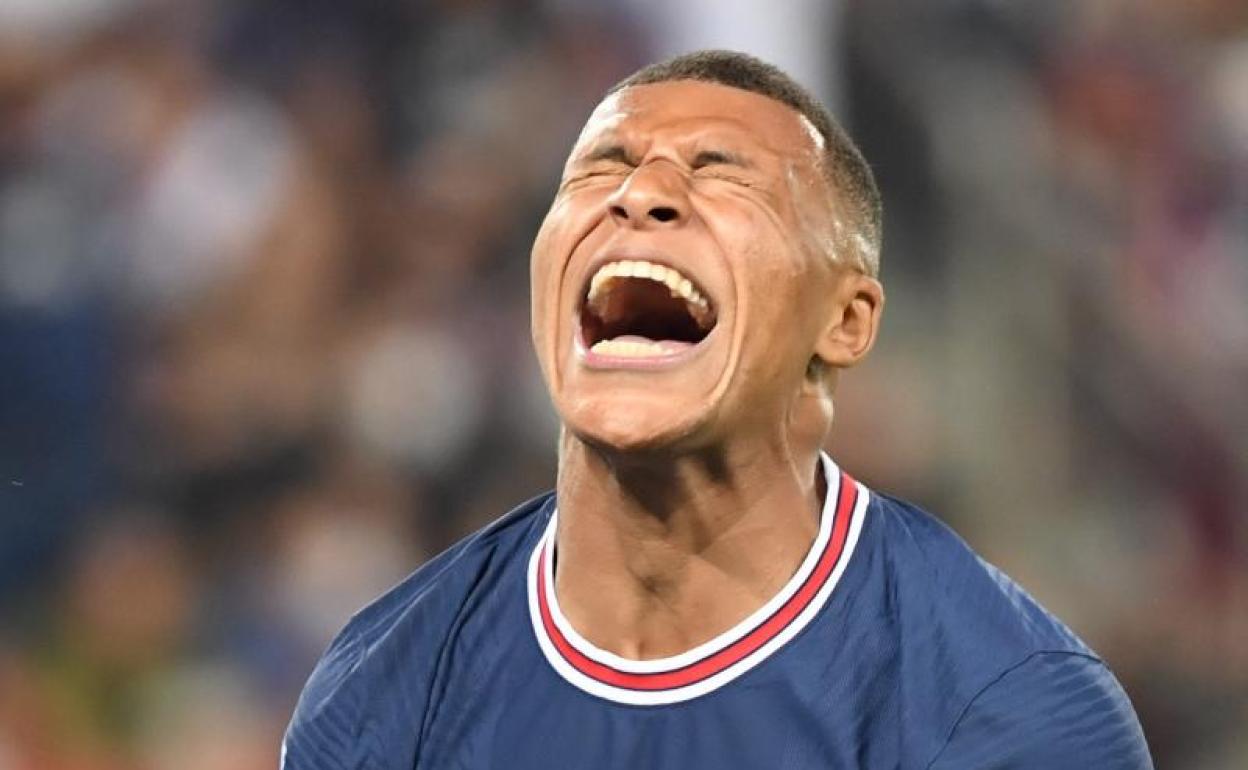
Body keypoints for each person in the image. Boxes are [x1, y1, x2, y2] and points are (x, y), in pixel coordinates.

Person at [282, 50, 1153, 769]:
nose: (640, 194)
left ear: (845, 322)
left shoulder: (1006, 706)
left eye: (721, 173)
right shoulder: (383, 690)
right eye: (603, 167)